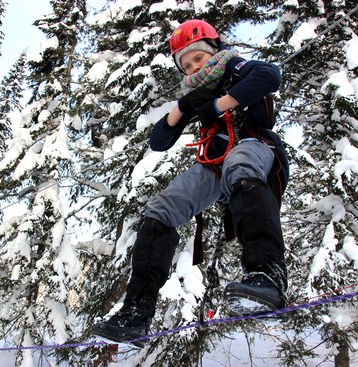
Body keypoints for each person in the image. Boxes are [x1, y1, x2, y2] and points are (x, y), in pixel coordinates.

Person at [92, 19, 289, 347]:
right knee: (162, 209)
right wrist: (183, 107)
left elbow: (269, 76)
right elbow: (159, 140)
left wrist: (221, 104)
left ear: (213, 49)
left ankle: (267, 274)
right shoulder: (196, 93)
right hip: (213, 164)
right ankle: (136, 313)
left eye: (198, 58)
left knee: (239, 164)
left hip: (254, 146)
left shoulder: (233, 67)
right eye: (186, 64)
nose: (194, 66)